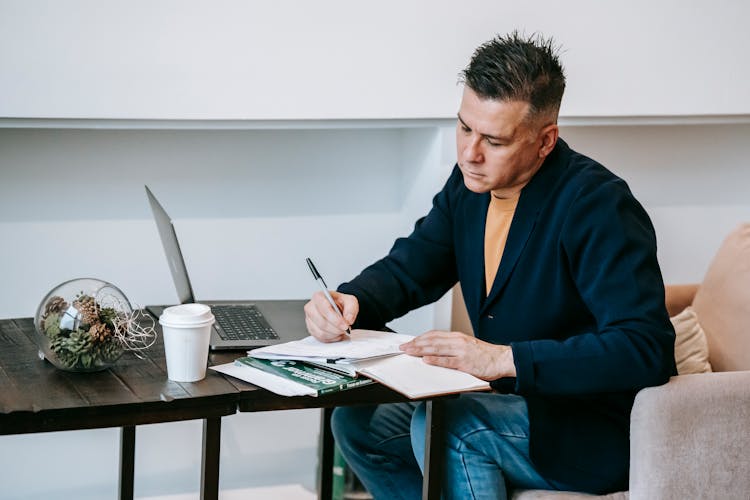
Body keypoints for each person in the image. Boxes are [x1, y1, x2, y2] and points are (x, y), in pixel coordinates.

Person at [304, 32, 675, 499]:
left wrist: (503, 359)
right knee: (360, 424)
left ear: (545, 141)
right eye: (464, 129)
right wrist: (350, 301)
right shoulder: (471, 185)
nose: (469, 153)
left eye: (493, 140)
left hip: (585, 429)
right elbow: (413, 266)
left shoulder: (598, 206)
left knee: (455, 425)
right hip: (511, 404)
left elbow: (645, 347)